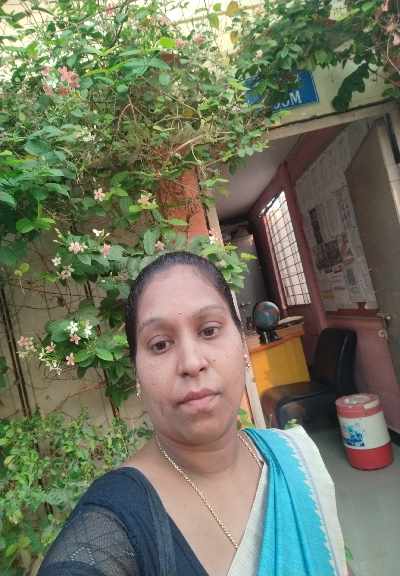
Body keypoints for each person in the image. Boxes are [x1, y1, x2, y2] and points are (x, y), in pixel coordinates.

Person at [38, 251, 348, 576]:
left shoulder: (292, 456)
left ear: (242, 346)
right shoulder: (115, 520)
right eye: (160, 344)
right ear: (137, 373)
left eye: (209, 330)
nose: (191, 362)